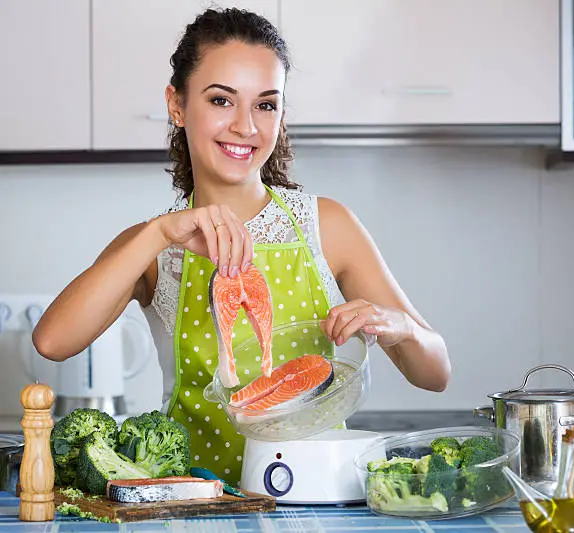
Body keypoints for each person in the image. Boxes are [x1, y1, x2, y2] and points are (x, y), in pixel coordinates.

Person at [32, 7, 450, 485]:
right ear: (177, 105)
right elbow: (52, 342)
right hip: (194, 503)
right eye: (221, 100)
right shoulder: (154, 245)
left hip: (312, 501)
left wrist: (403, 330)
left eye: (265, 104)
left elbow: (435, 374)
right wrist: (159, 232)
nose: (246, 126)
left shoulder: (327, 224)